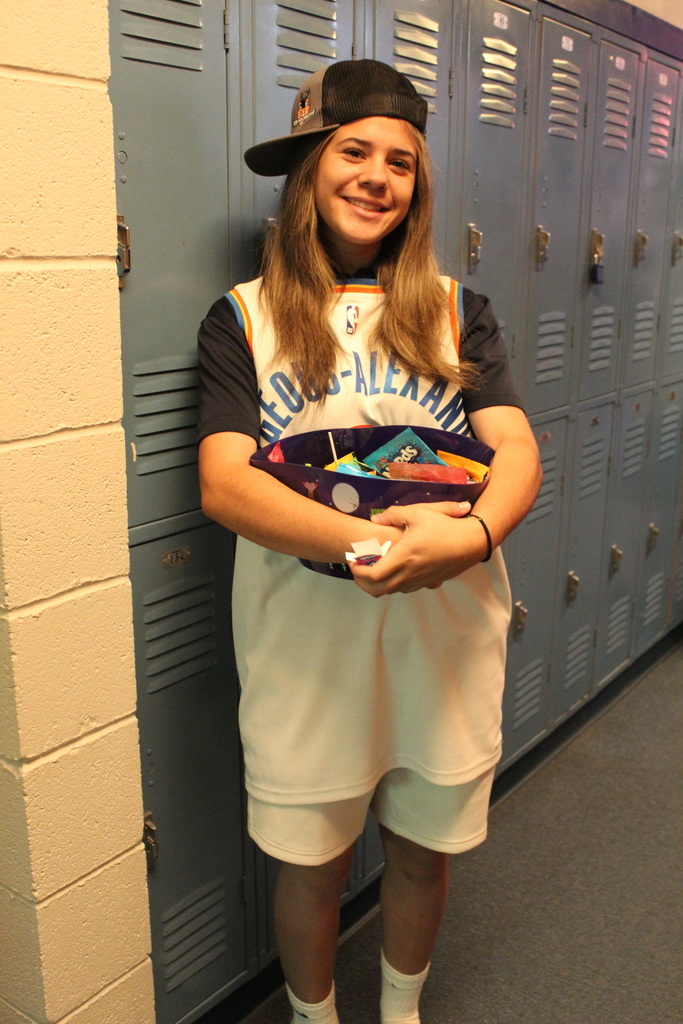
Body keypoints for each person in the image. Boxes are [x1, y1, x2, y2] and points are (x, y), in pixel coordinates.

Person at [197, 59, 542, 1024]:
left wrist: (469, 538)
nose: (376, 175)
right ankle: (315, 1019)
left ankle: (399, 1015)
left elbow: (514, 451)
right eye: (352, 151)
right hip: (306, 644)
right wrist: (368, 543)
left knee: (424, 852)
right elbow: (224, 482)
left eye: (400, 160)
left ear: (417, 187)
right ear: (308, 167)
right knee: (312, 863)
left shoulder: (453, 309)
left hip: (446, 628)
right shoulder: (245, 318)